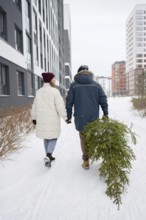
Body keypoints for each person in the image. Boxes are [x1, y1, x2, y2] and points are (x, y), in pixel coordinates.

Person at [66, 65, 108, 170]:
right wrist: (106, 114)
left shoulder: (74, 85)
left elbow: (69, 102)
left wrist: (69, 116)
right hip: (93, 117)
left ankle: (86, 161)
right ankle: (92, 152)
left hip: (81, 117)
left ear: (78, 73)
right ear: (88, 72)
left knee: (83, 137)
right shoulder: (96, 85)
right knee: (92, 135)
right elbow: (103, 100)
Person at [31, 72, 67, 166]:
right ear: (50, 80)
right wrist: (65, 117)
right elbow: (60, 106)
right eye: (53, 79)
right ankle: (49, 154)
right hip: (52, 119)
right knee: (53, 137)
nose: (55, 80)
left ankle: (48, 156)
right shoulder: (55, 91)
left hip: (42, 119)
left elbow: (34, 106)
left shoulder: (39, 91)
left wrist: (34, 118)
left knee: (46, 137)